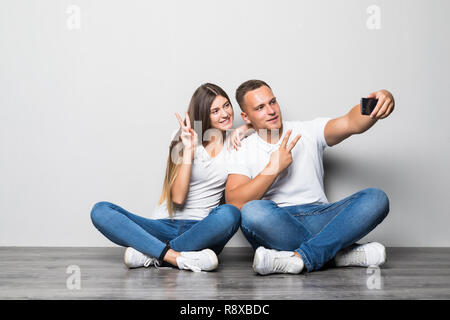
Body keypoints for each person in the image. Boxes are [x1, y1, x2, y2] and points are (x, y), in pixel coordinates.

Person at [225, 79, 394, 275]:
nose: (271, 111)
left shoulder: (309, 130)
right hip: (278, 224)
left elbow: (351, 122)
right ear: (246, 116)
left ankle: (299, 258)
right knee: (252, 211)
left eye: (272, 102)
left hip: (321, 217)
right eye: (260, 107)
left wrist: (380, 99)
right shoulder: (243, 147)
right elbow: (235, 202)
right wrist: (273, 168)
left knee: (376, 198)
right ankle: (339, 255)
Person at [91, 83, 248, 272]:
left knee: (230, 214)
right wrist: (189, 150)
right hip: (162, 225)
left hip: (200, 230)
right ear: (203, 115)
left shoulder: (236, 144)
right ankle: (174, 256)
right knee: (100, 210)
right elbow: (178, 198)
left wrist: (244, 128)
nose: (224, 114)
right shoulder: (181, 137)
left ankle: (151, 254)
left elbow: (263, 122)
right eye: (215, 111)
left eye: (226, 106)